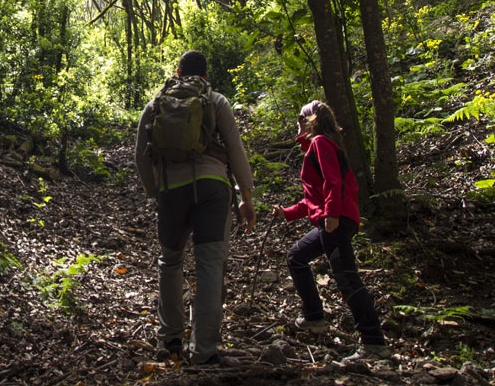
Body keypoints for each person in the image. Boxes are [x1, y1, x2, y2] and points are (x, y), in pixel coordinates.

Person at [135, 50, 256, 366]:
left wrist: (155, 191)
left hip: (171, 191)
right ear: (205, 75)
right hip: (213, 188)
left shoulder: (156, 104)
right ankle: (204, 351)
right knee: (210, 266)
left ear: (177, 72)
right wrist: (246, 197)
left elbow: (140, 155)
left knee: (170, 261)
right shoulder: (216, 101)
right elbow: (235, 149)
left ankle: (170, 340)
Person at [272, 99, 390, 363]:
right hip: (330, 219)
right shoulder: (318, 146)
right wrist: (286, 213)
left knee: (347, 278)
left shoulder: (320, 143)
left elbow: (333, 181)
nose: (297, 124)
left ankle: (373, 342)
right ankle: (314, 318)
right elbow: (312, 199)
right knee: (296, 257)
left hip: (336, 220)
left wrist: (332, 213)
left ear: (307, 121)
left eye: (299, 119)